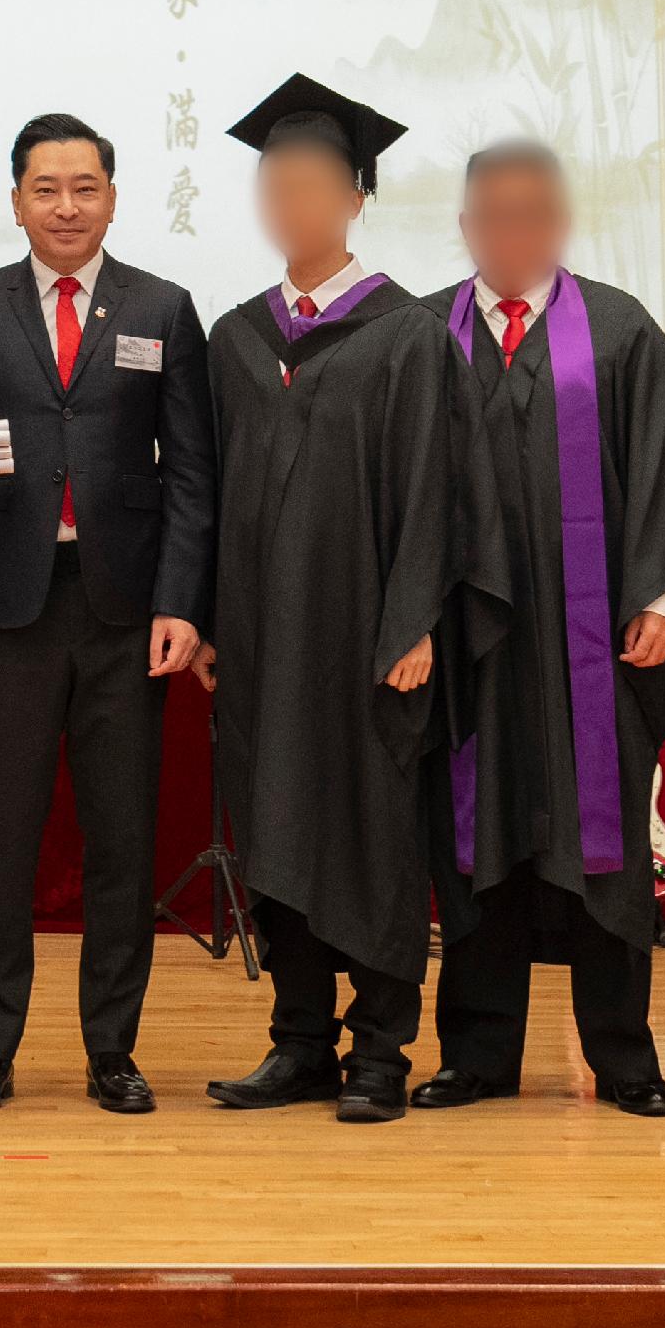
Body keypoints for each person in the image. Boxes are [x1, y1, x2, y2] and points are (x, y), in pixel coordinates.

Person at [0, 112, 216, 1117]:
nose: (65, 206)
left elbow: (191, 476)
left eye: (83, 187)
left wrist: (181, 602)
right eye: (45, 188)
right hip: (4, 614)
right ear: (15, 201)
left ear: (112, 197)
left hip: (124, 614)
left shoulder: (164, 309)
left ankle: (112, 1052)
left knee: (120, 843)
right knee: (0, 841)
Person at [416, 140, 665, 1117]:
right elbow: (393, 496)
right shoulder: (426, 337)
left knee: (606, 850)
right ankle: (477, 1054)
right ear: (465, 228)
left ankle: (623, 1056)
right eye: (490, 214)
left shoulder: (621, 332)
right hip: (470, 651)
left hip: (597, 645)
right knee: (474, 846)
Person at [199, 75, 461, 1125]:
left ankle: (382, 1053)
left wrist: (414, 624)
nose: (294, 201)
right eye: (276, 183)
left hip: (364, 638)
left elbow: (435, 489)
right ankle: (298, 1042)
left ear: (356, 198)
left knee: (370, 834)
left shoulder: (407, 334)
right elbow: (207, 494)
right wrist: (215, 623)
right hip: (264, 641)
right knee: (274, 830)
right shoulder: (233, 338)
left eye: (315, 183)